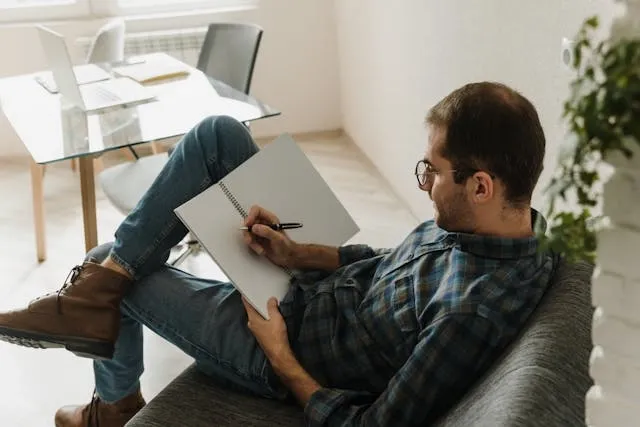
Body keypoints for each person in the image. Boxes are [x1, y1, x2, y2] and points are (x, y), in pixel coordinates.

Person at [0, 81, 556, 427]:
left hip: (286, 343)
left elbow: (373, 423)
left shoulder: (469, 313)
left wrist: (281, 356)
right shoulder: (495, 226)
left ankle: (111, 403)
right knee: (217, 135)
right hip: (309, 288)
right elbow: (393, 261)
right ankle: (92, 302)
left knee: (110, 266)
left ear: (481, 186)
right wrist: (299, 252)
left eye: (431, 172)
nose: (423, 181)